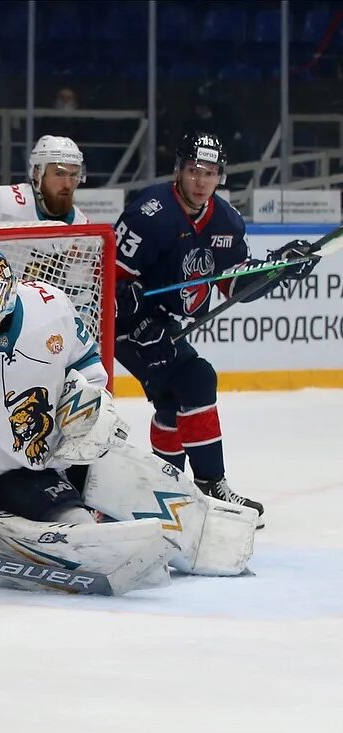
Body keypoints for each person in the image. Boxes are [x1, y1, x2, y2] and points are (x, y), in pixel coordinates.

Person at [0, 248, 258, 594]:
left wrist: (89, 411)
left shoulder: (49, 306)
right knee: (73, 518)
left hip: (60, 448)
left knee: (134, 474)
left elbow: (87, 364)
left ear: (6, 293)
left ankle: (214, 539)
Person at [112, 132, 316, 523]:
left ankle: (165, 489)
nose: (201, 181)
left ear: (220, 176)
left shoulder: (226, 220)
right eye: (193, 171)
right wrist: (135, 320)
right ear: (179, 170)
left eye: (210, 173)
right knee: (197, 379)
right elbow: (106, 282)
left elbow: (234, 285)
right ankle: (209, 486)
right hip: (126, 327)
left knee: (173, 402)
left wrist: (276, 270)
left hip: (165, 324)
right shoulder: (150, 214)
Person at [0, 135, 88, 225]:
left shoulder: (81, 223)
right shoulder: (2, 201)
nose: (68, 184)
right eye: (59, 174)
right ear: (37, 173)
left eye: (73, 175)